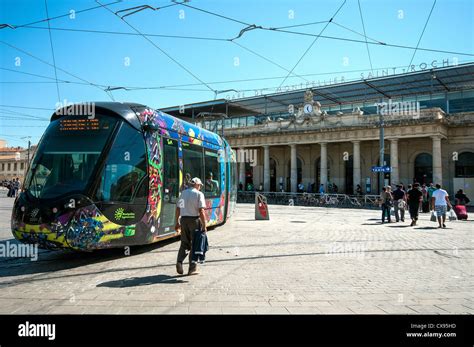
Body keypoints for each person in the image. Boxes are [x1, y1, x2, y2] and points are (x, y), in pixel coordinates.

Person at [175, 177, 207, 275]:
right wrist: (204, 225)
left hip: (184, 220)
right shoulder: (199, 194)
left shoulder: (183, 193)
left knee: (185, 243)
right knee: (195, 244)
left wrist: (177, 222)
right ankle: (192, 268)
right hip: (194, 220)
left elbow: (178, 209)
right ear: (197, 185)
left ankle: (179, 261)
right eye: (200, 186)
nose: (200, 187)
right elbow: (201, 210)